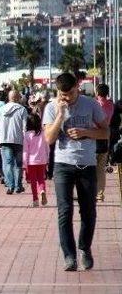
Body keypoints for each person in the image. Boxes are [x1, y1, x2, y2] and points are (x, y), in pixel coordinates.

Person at [43, 73, 108, 271]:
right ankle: (69, 256)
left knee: (88, 211)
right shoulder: (52, 107)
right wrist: (61, 115)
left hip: (86, 164)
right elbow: (49, 139)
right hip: (63, 165)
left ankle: (84, 248)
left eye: (70, 93)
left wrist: (86, 132)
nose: (67, 98)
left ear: (77, 88)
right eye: (63, 94)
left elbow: (105, 132)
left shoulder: (91, 105)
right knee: (65, 211)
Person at [0, 90, 28, 194]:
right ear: (18, 98)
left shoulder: (1, 110)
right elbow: (25, 127)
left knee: (7, 163)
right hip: (18, 140)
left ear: (9, 98)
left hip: (4, 139)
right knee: (18, 164)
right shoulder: (22, 109)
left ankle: (10, 186)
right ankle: (18, 185)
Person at [23, 114, 49, 207]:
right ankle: (42, 191)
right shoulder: (43, 133)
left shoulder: (27, 135)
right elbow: (47, 147)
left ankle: (35, 199)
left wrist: (24, 164)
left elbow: (25, 150)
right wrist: (47, 159)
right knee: (41, 179)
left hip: (31, 162)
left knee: (33, 181)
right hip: (42, 160)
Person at [94, 84, 114, 202]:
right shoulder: (111, 105)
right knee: (101, 168)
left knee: (91, 167)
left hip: (94, 136)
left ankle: (92, 191)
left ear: (97, 93)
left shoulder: (95, 104)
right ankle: (100, 194)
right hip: (105, 137)